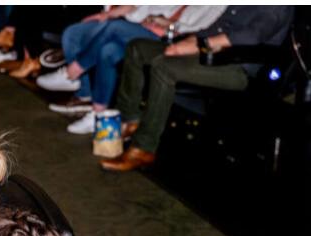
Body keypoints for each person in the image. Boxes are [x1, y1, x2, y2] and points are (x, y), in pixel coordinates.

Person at [101, 6, 294, 171]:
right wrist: (190, 41)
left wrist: (201, 44)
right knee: (138, 47)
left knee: (165, 66)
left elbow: (254, 34)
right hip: (214, 55)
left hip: (241, 67)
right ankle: (131, 119)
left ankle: (143, 148)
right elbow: (217, 26)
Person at [38, 6, 226, 134]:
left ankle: (71, 73)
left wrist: (167, 23)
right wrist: (153, 18)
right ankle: (98, 114)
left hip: (173, 41)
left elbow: (202, 29)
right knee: (108, 51)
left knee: (114, 27)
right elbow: (147, 10)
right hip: (146, 30)